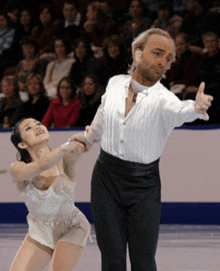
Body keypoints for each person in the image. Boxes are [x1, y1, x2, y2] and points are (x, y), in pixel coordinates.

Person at [71, 28, 213, 270]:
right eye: (157, 53)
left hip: (144, 187)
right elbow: (101, 119)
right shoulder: (115, 83)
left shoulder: (164, 100)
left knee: (144, 261)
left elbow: (181, 111)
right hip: (106, 180)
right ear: (137, 54)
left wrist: (196, 108)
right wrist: (87, 138)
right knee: (112, 259)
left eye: (168, 58)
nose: (163, 63)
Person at [9, 117, 90, 271]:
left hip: (72, 227)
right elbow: (41, 165)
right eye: (28, 128)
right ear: (22, 144)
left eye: (38, 124)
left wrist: (81, 143)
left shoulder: (65, 158)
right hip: (41, 230)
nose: (37, 127)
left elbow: (79, 150)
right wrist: (65, 147)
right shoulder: (17, 169)